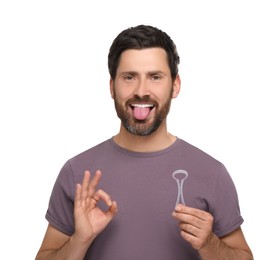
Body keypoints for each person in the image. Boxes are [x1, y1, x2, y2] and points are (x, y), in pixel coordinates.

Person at [36, 25, 253, 260]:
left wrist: (210, 244)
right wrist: (79, 240)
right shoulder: (78, 173)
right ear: (112, 86)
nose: (141, 90)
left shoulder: (212, 173)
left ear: (175, 85)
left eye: (155, 77)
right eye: (129, 77)